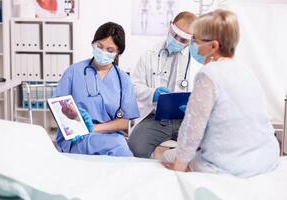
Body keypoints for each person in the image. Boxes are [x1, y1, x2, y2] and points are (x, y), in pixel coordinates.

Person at [162, 9, 280, 177]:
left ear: (213, 46)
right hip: (266, 157)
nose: (192, 45)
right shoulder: (246, 71)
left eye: (196, 40)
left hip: (230, 164)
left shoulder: (208, 75)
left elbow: (191, 132)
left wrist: (178, 170)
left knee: (168, 155)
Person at [54, 22, 140, 156]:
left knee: (119, 144)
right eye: (99, 46)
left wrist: (93, 128)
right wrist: (77, 126)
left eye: (110, 50)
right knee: (120, 148)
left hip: (109, 136)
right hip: (76, 137)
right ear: (93, 43)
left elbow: (126, 121)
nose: (103, 52)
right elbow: (58, 107)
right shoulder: (74, 71)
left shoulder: (123, 80)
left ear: (118, 52)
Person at [128, 11, 201, 158]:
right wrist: (152, 93)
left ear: (191, 41)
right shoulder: (149, 55)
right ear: (170, 26)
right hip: (156, 118)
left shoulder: (197, 62)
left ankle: (169, 156)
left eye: (183, 40)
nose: (177, 41)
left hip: (186, 120)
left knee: (205, 149)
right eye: (175, 35)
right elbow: (133, 87)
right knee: (136, 148)